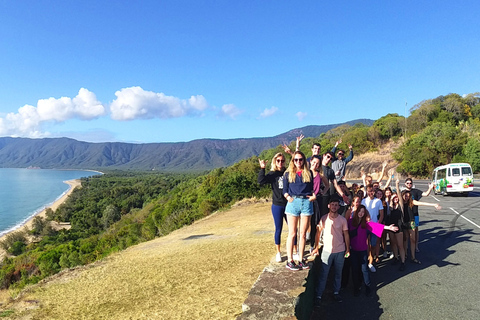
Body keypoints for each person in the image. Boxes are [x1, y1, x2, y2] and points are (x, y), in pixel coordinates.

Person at [348, 205, 398, 296]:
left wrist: (389, 227)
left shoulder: (366, 224)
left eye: (363, 212)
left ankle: (367, 286)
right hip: (353, 250)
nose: (361, 213)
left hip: (362, 250)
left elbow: (378, 226)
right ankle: (356, 287)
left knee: (364, 269)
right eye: (360, 211)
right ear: (356, 212)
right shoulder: (350, 222)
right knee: (355, 269)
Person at [283, 151, 316, 271]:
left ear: (304, 160)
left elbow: (312, 188)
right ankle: (290, 260)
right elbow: (285, 190)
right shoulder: (288, 174)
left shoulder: (309, 173)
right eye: (295, 160)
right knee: (292, 233)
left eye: (300, 159)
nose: (298, 162)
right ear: (292, 161)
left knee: (303, 234)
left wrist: (313, 196)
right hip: (293, 203)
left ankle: (301, 259)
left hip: (306, 202)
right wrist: (288, 198)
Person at [313, 198, 350, 304]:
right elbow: (318, 233)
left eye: (336, 205)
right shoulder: (323, 219)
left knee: (338, 273)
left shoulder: (342, 220)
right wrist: (316, 247)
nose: (334, 207)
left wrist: (348, 248)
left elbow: (346, 234)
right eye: (332, 204)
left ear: (339, 207)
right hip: (327, 250)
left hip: (340, 250)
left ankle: (336, 292)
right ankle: (319, 295)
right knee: (323, 274)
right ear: (329, 206)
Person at [258, 152, 290, 262]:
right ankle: (278, 252)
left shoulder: (287, 172)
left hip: (288, 204)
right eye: (278, 161)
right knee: (278, 229)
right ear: (275, 161)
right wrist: (262, 168)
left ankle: (295, 250)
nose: (280, 163)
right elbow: (261, 181)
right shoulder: (272, 174)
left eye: (282, 160)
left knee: (292, 228)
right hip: (277, 205)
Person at [401, 185, 441, 264]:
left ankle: (413, 257)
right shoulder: (400, 202)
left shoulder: (412, 202)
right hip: (403, 222)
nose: (406, 197)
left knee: (412, 239)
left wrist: (434, 205)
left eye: (408, 196)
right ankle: (405, 254)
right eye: (405, 196)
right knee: (405, 239)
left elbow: (422, 203)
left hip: (411, 222)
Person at [403, 178, 435, 253]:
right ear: (405, 184)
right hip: (406, 215)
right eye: (407, 183)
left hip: (415, 214)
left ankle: (416, 246)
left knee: (415, 231)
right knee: (406, 233)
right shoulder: (403, 192)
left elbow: (425, 194)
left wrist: (430, 188)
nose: (409, 184)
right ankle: (406, 247)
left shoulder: (415, 191)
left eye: (410, 183)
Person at [309, 155, 329, 252]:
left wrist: (322, 192)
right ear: (310, 161)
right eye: (314, 162)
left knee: (315, 223)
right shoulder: (305, 173)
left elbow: (327, 185)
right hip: (306, 200)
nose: (315, 165)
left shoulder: (319, 175)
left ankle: (313, 245)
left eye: (317, 163)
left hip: (317, 200)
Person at [361, 184, 384, 272]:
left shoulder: (378, 201)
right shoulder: (363, 201)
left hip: (375, 226)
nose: (371, 193)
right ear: (367, 191)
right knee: (365, 244)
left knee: (373, 244)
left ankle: (371, 263)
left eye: (372, 191)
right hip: (365, 225)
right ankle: (365, 260)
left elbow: (381, 214)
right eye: (369, 191)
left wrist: (379, 223)